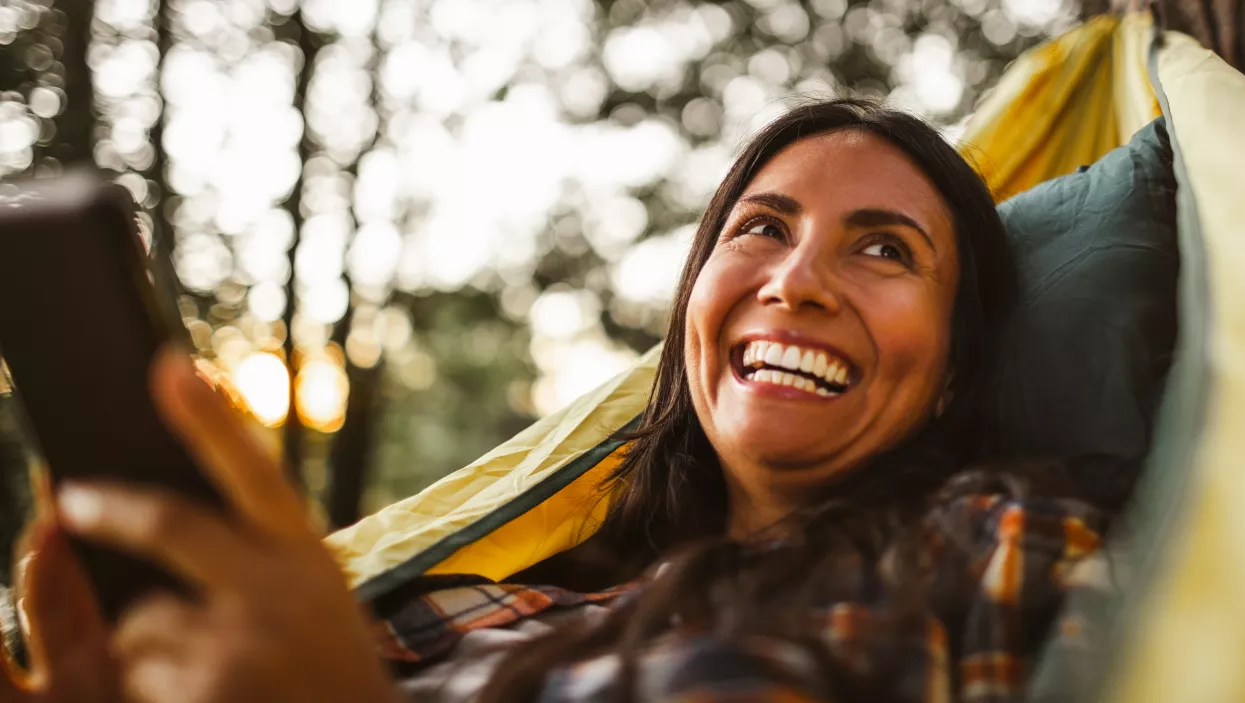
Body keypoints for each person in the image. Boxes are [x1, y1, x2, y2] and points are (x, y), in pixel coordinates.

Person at [3, 99, 1108, 703]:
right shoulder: (482, 604)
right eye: (761, 228)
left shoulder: (988, 541)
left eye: (883, 248)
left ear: (958, 365)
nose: (797, 280)